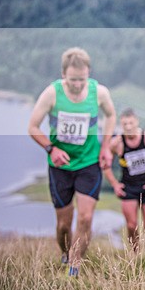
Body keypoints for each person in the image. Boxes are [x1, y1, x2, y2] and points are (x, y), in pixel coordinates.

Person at [28, 47, 116, 277]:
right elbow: (32, 127)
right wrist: (51, 148)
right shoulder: (51, 94)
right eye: (73, 80)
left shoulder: (100, 92)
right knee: (64, 225)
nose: (78, 85)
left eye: (82, 79)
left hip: (89, 162)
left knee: (86, 218)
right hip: (60, 165)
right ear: (63, 74)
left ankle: (74, 268)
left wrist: (105, 146)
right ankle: (66, 253)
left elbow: (111, 115)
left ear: (89, 73)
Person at [104, 108, 145, 252]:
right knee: (131, 225)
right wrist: (114, 184)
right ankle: (135, 254)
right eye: (124, 124)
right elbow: (104, 162)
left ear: (137, 122)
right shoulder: (117, 142)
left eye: (131, 123)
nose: (128, 127)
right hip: (129, 187)